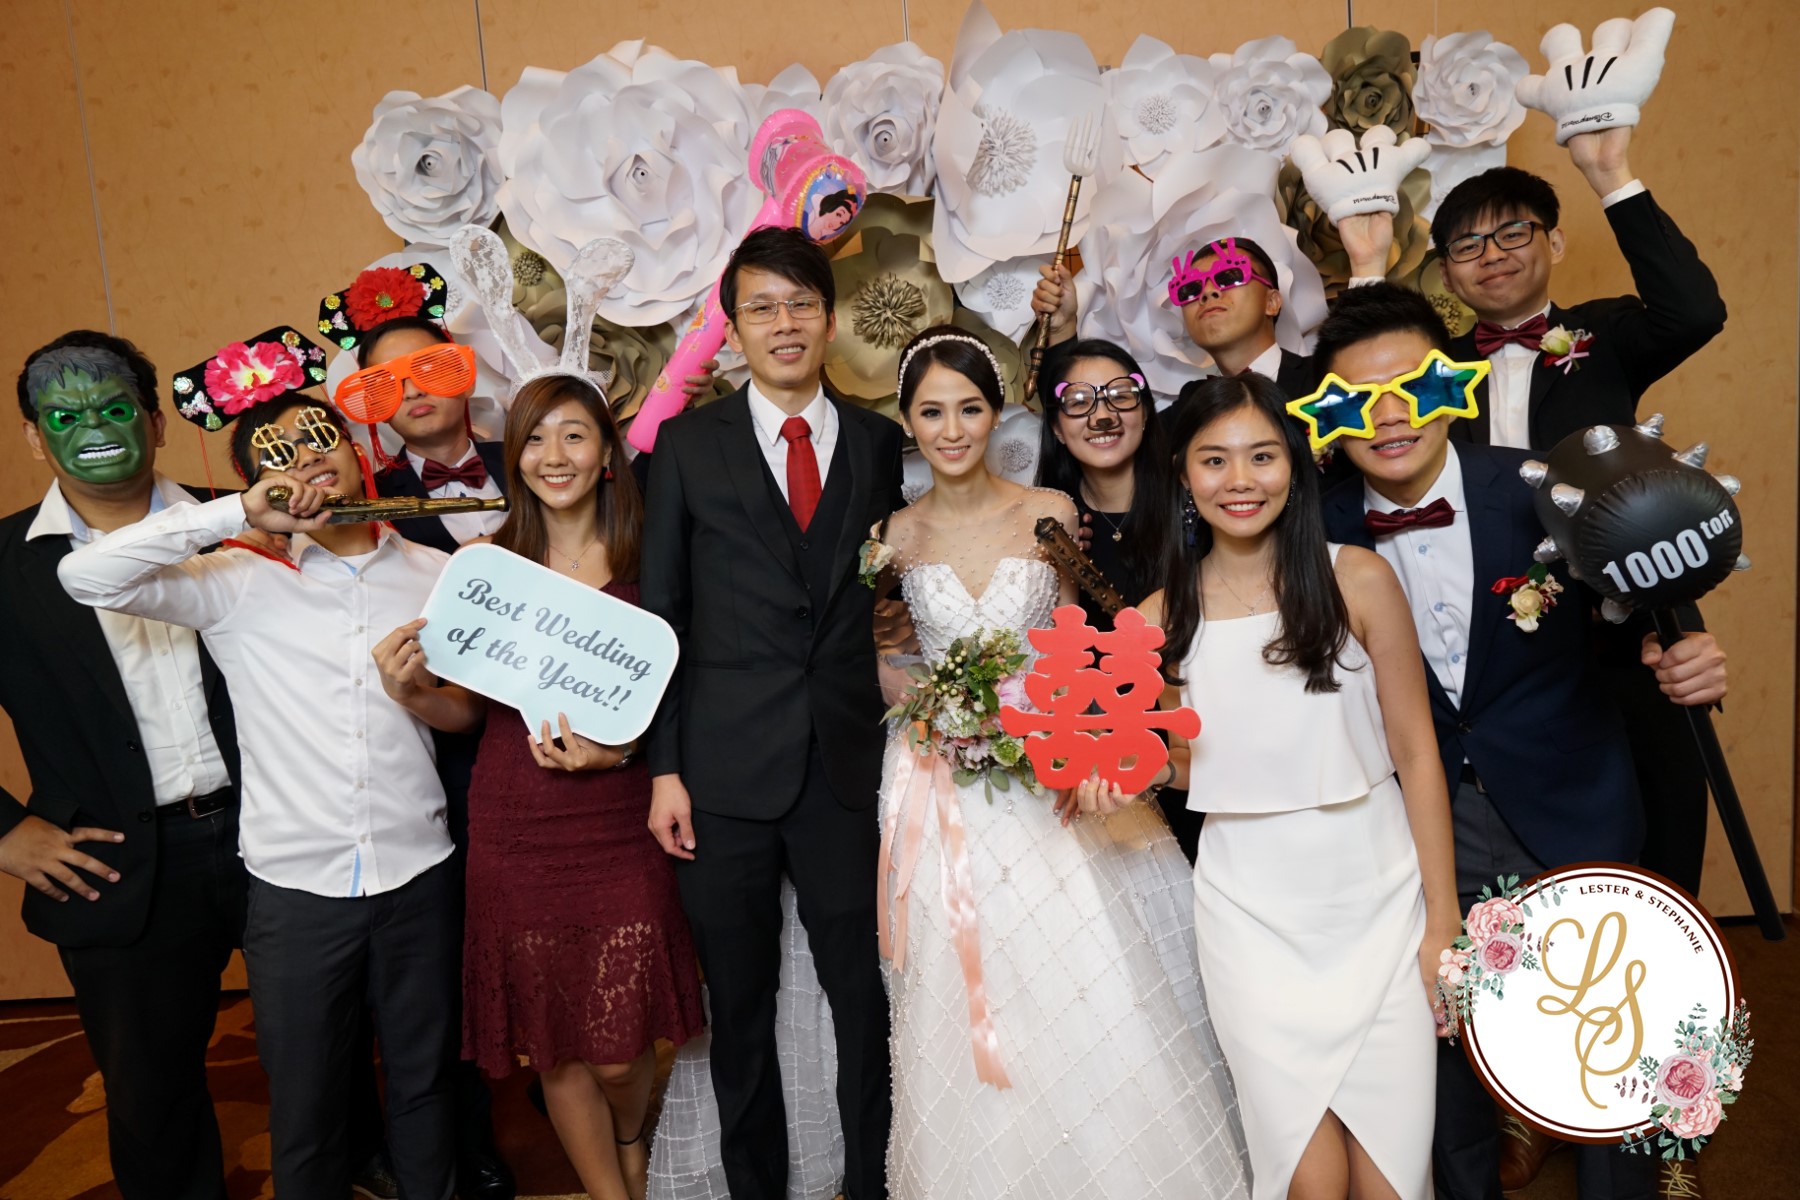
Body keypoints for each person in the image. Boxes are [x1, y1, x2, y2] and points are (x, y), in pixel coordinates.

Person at [1312, 284, 1727, 1200]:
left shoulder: (1548, 488)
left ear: (1452, 385)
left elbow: (1645, 608)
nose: (1389, 417)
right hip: (1415, 828)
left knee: (1610, 1049)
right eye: (1359, 399)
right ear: (1327, 416)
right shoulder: (1312, 529)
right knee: (1446, 1053)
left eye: (1411, 388)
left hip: (1571, 802)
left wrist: (1685, 653)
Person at [58, 328, 462, 1200]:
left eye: (319, 440)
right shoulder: (233, 580)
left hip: (421, 872)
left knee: (428, 1085)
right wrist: (236, 515)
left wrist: (417, 693)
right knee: (306, 1105)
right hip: (294, 889)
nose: (307, 462)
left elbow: (467, 713)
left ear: (356, 449)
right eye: (279, 456)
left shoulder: (435, 572)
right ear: (257, 481)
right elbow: (87, 579)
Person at [875, 326, 1248, 1199]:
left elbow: (1078, 640)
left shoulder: (1046, 508)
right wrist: (937, 708)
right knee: (973, 976)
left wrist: (1054, 728)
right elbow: (890, 660)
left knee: (1092, 974)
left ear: (997, 413)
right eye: (932, 413)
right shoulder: (894, 534)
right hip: (944, 780)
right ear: (909, 422)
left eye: (970, 408)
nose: (953, 430)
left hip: (1051, 760)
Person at [1432, 126, 1729, 1195]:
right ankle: (1531, 1101)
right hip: (1505, 669)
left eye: (1512, 233)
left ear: (1552, 241)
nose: (1493, 256)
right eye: (1467, 245)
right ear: (1446, 272)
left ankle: (1665, 1128)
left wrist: (1614, 175)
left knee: (1655, 880)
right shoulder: (1432, 372)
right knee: (1519, 905)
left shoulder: (1601, 338)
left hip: (1626, 643)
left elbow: (1695, 310)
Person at [373, 372, 706, 1200]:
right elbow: (467, 712)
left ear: (605, 454)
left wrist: (617, 756)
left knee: (620, 1050)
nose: (553, 455)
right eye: (534, 438)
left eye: (574, 435)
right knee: (554, 1043)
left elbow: (686, 696)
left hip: (623, 818)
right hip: (515, 821)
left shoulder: (656, 556)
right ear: (514, 456)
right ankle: (613, 1193)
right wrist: (411, 693)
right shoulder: (486, 567)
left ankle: (630, 1131)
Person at [1127, 370, 1458, 1200]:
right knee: (1308, 1179)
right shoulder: (1158, 617)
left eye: (1263, 456)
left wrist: (1442, 920)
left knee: (1390, 1175)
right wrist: (1132, 769)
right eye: (1214, 460)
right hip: (1249, 911)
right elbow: (1195, 760)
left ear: (1296, 467)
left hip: (1378, 895)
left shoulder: (1359, 579)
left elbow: (1417, 753)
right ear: (1183, 475)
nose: (1240, 480)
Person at [640, 226, 903, 1200]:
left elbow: (887, 592)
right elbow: (664, 615)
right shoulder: (685, 446)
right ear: (734, 328)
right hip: (721, 775)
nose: (783, 323)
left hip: (845, 768)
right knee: (739, 1009)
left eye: (800, 304)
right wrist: (665, 768)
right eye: (761, 307)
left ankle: (873, 1181)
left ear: (829, 321)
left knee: (864, 998)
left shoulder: (877, 442)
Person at [0, 331, 245, 1200]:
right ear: (35, 437)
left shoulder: (242, 521)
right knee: (149, 1097)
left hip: (275, 832)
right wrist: (4, 832)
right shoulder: (3, 566)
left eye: (114, 408)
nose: (93, 429)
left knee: (335, 1042)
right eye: (64, 417)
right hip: (114, 861)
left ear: (156, 422)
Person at [1030, 336, 1202, 860]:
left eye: (1120, 395)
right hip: (1116, 775)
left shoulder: (1199, 502)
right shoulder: (1053, 532)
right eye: (1078, 401)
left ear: (1146, 410)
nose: (1102, 415)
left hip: (1211, 746)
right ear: (1056, 427)